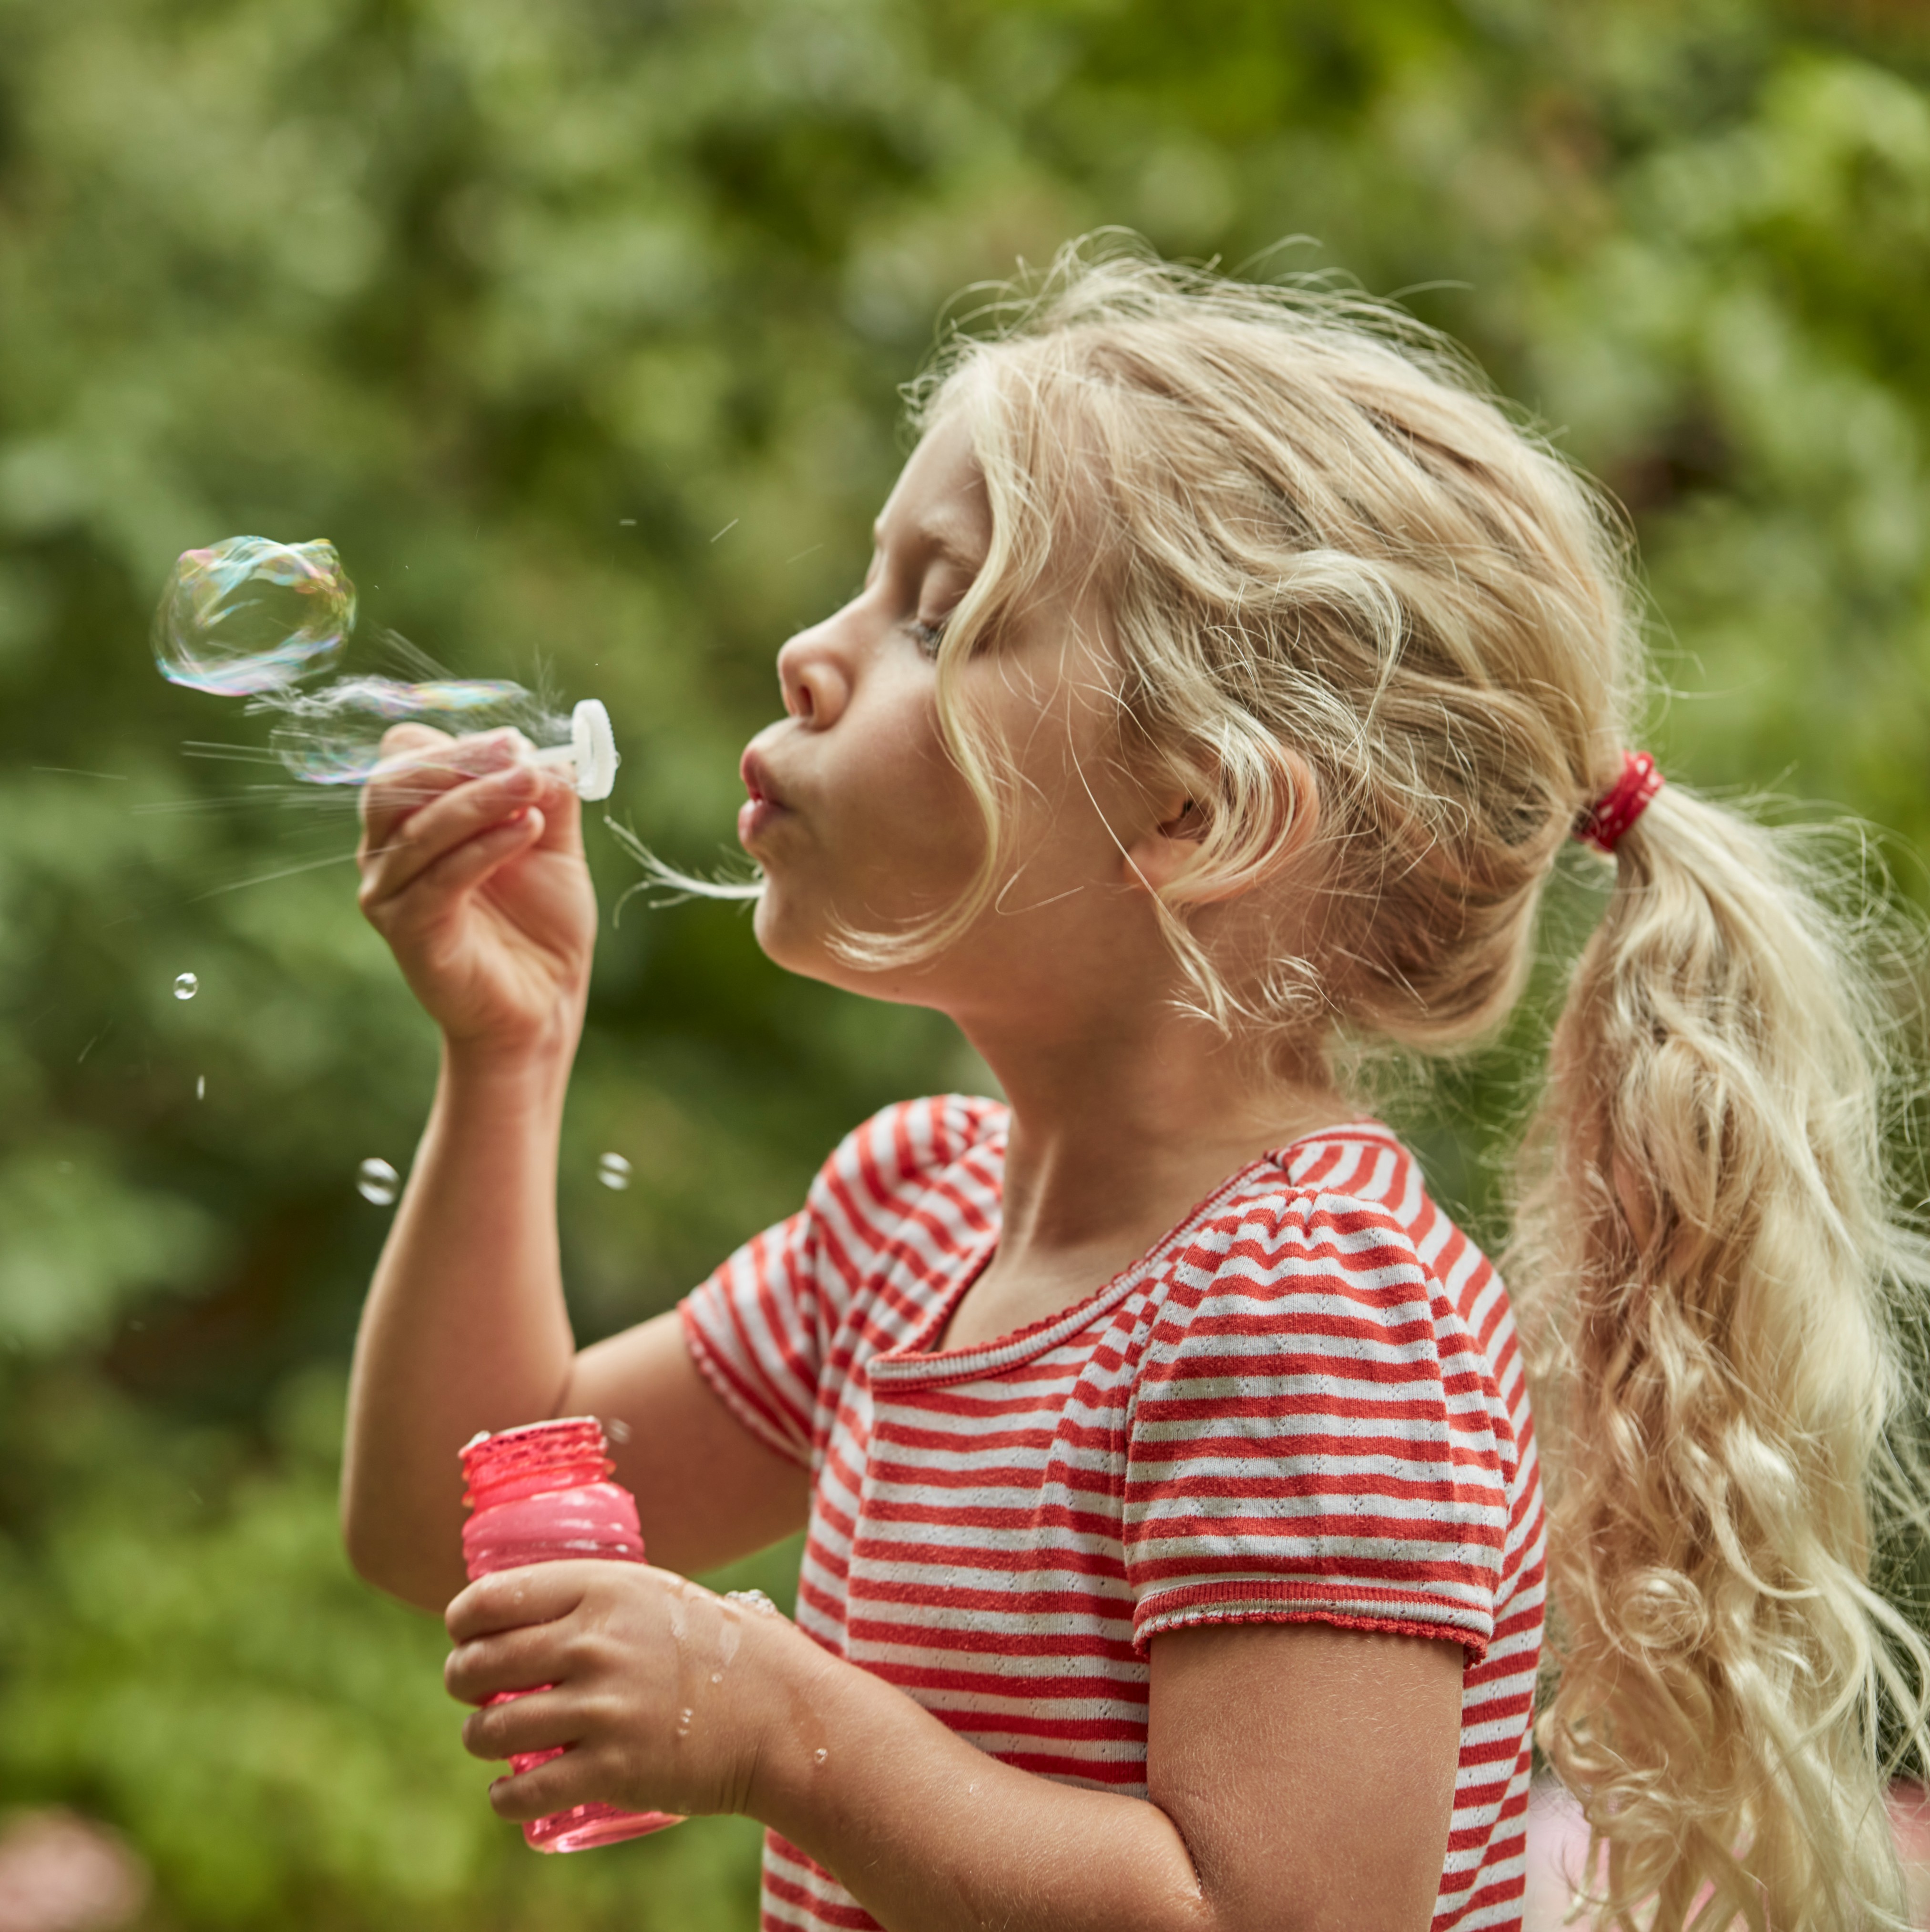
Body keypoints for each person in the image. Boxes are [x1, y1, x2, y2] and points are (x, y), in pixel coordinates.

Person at [333, 235, 1930, 1932]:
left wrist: (789, 1731)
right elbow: (457, 1521)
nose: (813, 651)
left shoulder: (1308, 1309)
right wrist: (508, 1055)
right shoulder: (906, 1226)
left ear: (1194, 814)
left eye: (935, 612)